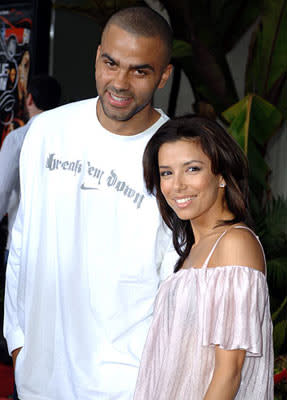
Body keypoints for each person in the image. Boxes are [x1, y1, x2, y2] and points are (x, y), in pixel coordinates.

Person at [4, 7, 176, 400]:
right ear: (97, 55)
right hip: (36, 381)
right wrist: (18, 343)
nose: (119, 82)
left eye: (140, 70)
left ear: (163, 76)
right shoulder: (47, 131)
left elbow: (178, 279)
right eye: (110, 63)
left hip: (126, 387)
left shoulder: (178, 154)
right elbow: (23, 243)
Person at [134, 115, 274, 399]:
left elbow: (229, 373)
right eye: (166, 173)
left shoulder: (234, 243)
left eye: (192, 169)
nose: (177, 185)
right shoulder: (194, 250)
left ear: (221, 174)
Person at [0, 75, 61, 264]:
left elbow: (2, 189)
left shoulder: (18, 139)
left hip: (21, 243)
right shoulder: (67, 139)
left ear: (29, 99)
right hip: (57, 245)